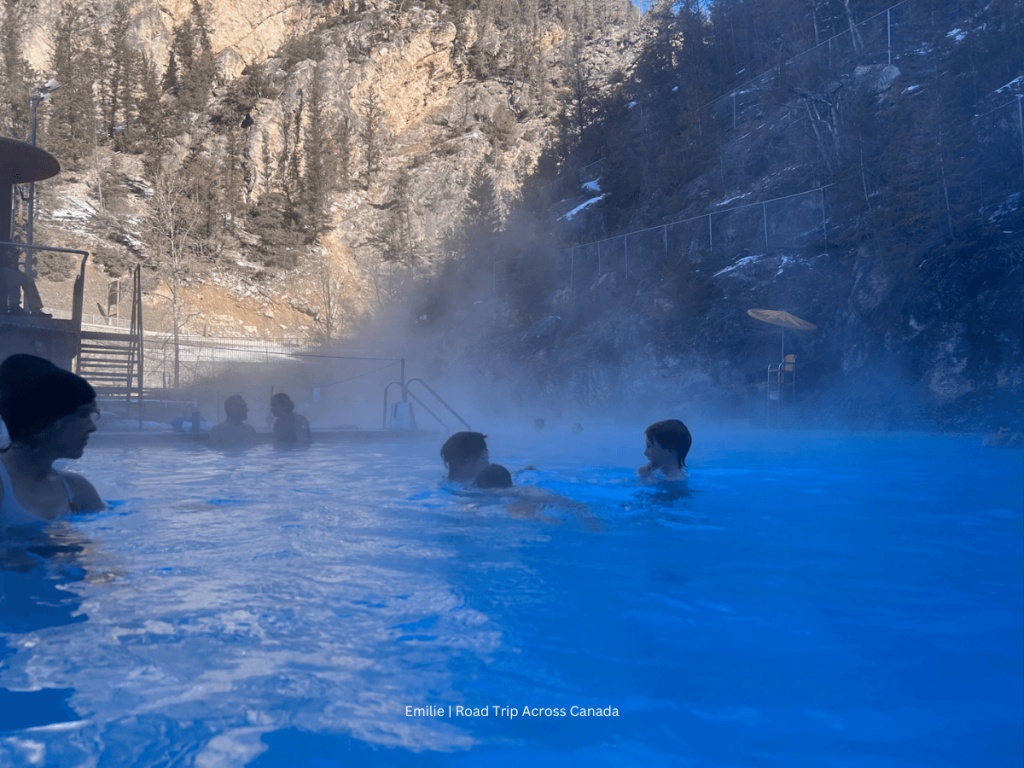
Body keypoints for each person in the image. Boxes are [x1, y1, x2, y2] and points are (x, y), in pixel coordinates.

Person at [0, 354, 105, 524]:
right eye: (84, 414)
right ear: (51, 420)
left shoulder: (78, 490)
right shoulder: (3, 488)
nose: (92, 427)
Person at [1, 247, 50, 317]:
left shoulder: (10, 243)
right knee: (13, 276)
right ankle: (14, 306)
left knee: (28, 280)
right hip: (2, 267)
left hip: (11, 268)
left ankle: (36, 309)